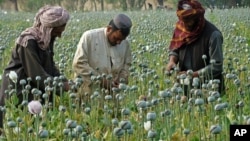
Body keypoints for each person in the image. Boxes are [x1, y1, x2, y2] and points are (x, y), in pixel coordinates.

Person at [0, 5, 70, 133]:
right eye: (58, 31)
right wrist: (61, 86)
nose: (59, 35)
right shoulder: (28, 41)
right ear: (49, 28)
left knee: (37, 127)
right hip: (18, 89)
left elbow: (50, 66)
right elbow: (36, 74)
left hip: (36, 88)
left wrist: (64, 80)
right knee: (21, 127)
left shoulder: (47, 38)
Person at [165, 0, 224, 95]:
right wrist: (172, 61)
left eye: (189, 20)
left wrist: (194, 75)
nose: (186, 23)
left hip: (209, 90)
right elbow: (175, 48)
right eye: (184, 20)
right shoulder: (181, 28)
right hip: (184, 88)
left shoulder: (213, 35)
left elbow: (217, 66)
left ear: (197, 18)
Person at [72, 14, 132, 102]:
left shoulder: (125, 44)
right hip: (89, 94)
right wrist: (102, 81)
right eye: (116, 38)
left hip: (113, 96)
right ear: (109, 29)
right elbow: (79, 64)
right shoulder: (89, 37)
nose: (119, 42)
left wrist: (120, 80)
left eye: (121, 40)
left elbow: (126, 66)